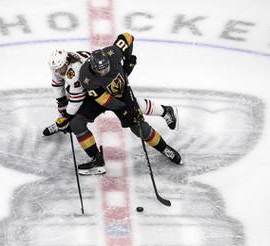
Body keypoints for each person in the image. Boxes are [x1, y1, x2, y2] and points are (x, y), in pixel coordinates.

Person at [45, 32, 181, 175]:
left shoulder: (113, 52)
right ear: (92, 67)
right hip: (101, 95)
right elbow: (103, 100)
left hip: (119, 92)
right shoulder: (85, 78)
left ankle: (164, 147)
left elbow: (127, 37)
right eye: (100, 70)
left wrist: (128, 60)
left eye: (105, 68)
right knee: (76, 123)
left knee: (138, 128)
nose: (103, 71)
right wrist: (67, 117)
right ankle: (97, 160)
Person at [43, 49, 178, 137]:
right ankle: (65, 125)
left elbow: (77, 98)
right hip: (91, 84)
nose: (57, 71)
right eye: (56, 69)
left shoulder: (75, 71)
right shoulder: (60, 64)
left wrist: (67, 116)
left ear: (66, 62)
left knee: (129, 105)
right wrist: (61, 105)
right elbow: (57, 83)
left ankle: (165, 111)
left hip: (101, 83)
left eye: (60, 69)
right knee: (69, 103)